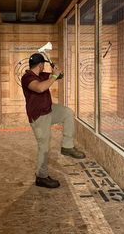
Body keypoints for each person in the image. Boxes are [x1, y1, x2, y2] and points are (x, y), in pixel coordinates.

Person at [21, 53, 86, 189]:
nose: (43, 67)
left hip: (49, 109)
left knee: (67, 113)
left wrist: (55, 69)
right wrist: (54, 76)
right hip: (39, 116)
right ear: (40, 65)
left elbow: (59, 76)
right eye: (42, 65)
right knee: (44, 146)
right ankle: (41, 177)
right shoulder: (27, 77)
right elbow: (40, 88)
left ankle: (67, 147)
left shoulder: (41, 75)